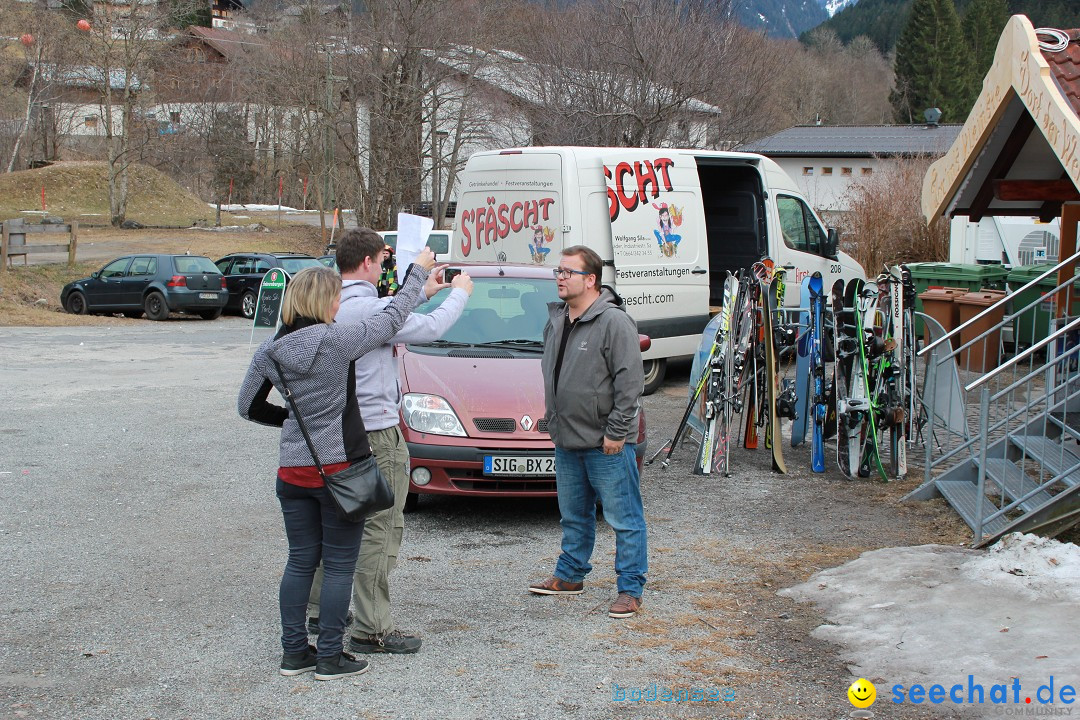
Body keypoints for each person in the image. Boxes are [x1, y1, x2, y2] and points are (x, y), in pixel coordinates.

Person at [238, 253, 435, 680]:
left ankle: (295, 653)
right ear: (323, 303)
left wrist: (292, 420)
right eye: (334, 299)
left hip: (292, 473)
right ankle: (330, 656)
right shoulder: (337, 340)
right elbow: (392, 318)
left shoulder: (270, 351)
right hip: (338, 471)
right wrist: (418, 271)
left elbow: (247, 407)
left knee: (300, 562)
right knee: (341, 566)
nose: (337, 307)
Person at [306, 227, 473, 655]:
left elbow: (387, 312)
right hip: (375, 432)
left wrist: (422, 292)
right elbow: (430, 328)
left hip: (329, 431)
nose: (384, 268)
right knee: (380, 527)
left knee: (335, 520)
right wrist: (459, 294)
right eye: (382, 262)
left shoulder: (328, 304)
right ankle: (371, 626)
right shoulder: (370, 311)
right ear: (367, 262)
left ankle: (319, 609)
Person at [529, 245, 648, 619]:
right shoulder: (557, 318)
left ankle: (630, 589)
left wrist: (617, 432)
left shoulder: (614, 322)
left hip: (605, 443)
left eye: (569, 272)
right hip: (567, 439)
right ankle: (570, 575)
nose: (560, 278)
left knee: (624, 518)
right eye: (558, 271)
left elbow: (631, 384)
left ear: (591, 280)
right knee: (573, 515)